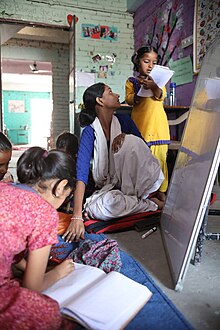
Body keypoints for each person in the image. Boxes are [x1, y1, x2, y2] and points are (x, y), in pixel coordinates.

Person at [62, 83, 165, 243]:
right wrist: (77, 216)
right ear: (100, 101)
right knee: (98, 208)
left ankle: (140, 200)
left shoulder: (125, 121)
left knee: (131, 142)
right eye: (110, 92)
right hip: (111, 190)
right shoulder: (90, 131)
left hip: (138, 183)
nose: (117, 95)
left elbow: (144, 152)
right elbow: (81, 175)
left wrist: (125, 137)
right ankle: (149, 204)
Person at [0, 146, 77, 329]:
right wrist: (57, 273)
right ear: (60, 187)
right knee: (49, 312)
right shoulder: (44, 212)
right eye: (67, 196)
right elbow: (31, 288)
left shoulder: (4, 187)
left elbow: (7, 243)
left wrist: (26, 267)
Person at [125, 46, 170, 200]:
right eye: (146, 61)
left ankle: (161, 191)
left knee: (160, 159)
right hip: (140, 127)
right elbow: (130, 100)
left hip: (158, 128)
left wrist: (153, 86)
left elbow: (160, 95)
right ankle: (146, 192)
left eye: (154, 62)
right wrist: (138, 94)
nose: (150, 65)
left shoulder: (158, 81)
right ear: (138, 61)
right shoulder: (131, 81)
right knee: (143, 161)